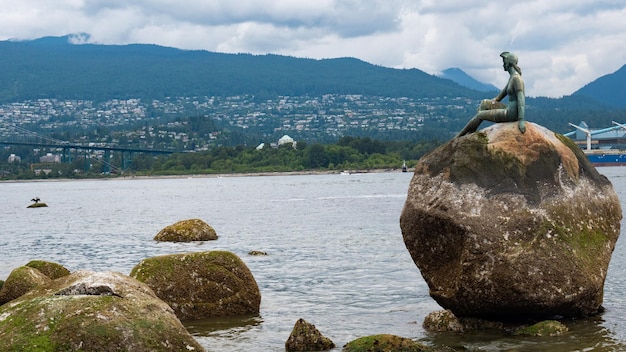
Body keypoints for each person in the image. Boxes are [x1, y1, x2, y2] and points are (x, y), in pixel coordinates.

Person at [455, 52, 525, 138]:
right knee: (484, 103)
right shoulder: (512, 77)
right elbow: (499, 97)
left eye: (504, 62)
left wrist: (521, 120)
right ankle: (471, 132)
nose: (503, 64)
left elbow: (521, 99)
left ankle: (459, 136)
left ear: (508, 62)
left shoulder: (516, 79)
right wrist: (487, 104)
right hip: (508, 109)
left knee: (480, 115)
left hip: (511, 114)